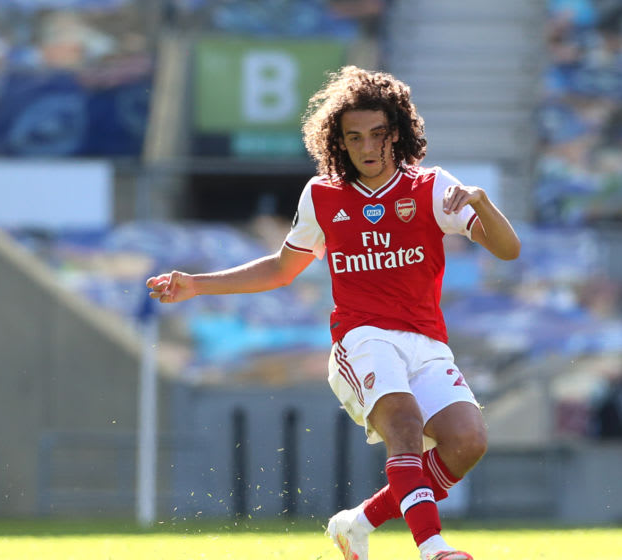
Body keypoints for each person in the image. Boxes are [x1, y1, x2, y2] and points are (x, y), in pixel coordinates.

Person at [146, 66, 521, 560]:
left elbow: (509, 250)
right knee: (404, 424)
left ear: (399, 133)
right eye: (354, 138)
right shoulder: (322, 196)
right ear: (338, 143)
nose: (367, 147)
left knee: (467, 442)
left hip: (426, 342)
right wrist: (197, 284)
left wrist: (483, 204)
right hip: (362, 338)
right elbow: (282, 269)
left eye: (378, 135)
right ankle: (433, 547)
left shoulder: (431, 188)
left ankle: (356, 524)